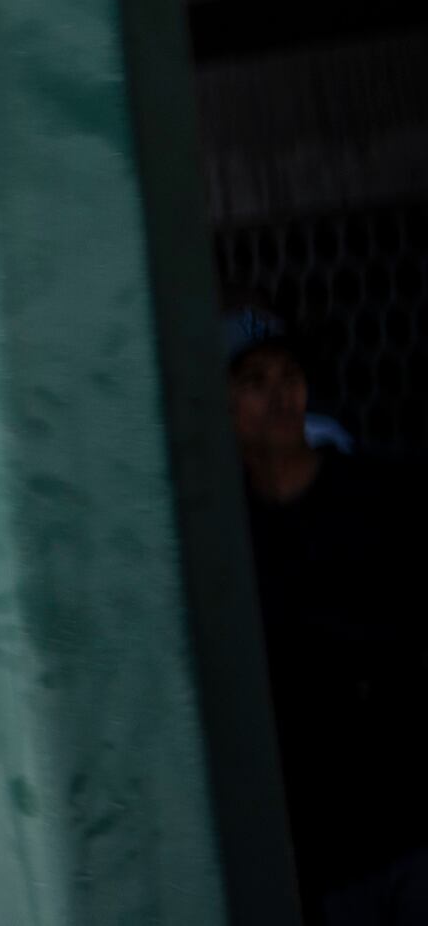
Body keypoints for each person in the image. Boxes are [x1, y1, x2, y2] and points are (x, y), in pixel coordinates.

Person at [226, 309, 428, 924]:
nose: (279, 396)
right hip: (322, 854)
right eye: (255, 381)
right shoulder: (227, 541)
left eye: (289, 376)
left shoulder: (380, 495)